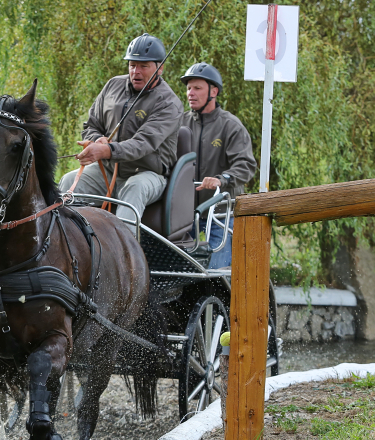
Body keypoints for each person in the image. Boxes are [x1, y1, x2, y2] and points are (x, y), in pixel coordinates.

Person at [59, 33, 183, 232]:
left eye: (144, 66)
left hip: (146, 173)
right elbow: (91, 124)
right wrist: (95, 140)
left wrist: (105, 150)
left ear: (160, 68)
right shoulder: (112, 85)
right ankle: (70, 245)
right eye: (132, 65)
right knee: (68, 181)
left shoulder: (169, 103)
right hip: (107, 170)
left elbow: (143, 143)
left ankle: (125, 257)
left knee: (135, 188)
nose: (136, 71)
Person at [180, 63, 256, 268]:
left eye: (197, 88)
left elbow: (246, 165)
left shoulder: (231, 126)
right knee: (177, 269)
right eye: (188, 88)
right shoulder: (180, 123)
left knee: (216, 272)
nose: (190, 93)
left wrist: (222, 180)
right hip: (185, 214)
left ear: (214, 91)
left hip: (221, 212)